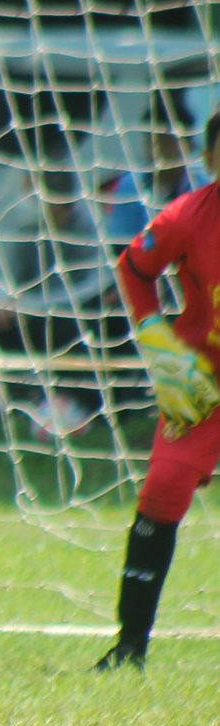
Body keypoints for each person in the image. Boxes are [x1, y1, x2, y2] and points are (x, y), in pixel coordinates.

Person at [95, 109, 220, 672]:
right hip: (204, 386)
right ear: (210, 159)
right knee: (163, 487)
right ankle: (129, 647)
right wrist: (155, 335)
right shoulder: (186, 217)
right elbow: (134, 267)